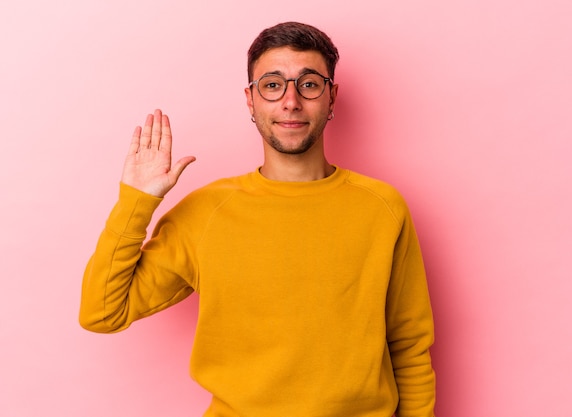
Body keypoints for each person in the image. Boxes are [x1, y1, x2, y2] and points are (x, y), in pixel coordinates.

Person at [79, 21, 436, 417]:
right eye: (272, 84)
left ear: (332, 97)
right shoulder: (206, 213)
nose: (290, 101)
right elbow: (102, 313)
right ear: (251, 100)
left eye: (309, 84)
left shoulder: (383, 207)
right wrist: (137, 201)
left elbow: (409, 345)